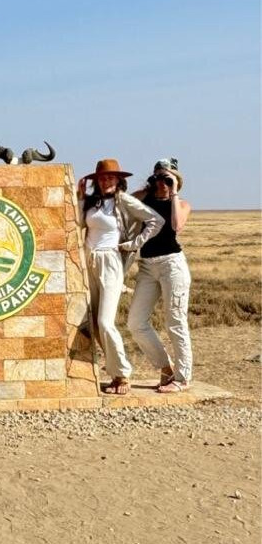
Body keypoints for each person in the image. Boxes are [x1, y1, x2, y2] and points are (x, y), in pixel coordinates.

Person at [77, 160, 163, 395]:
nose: (106, 181)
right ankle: (114, 374)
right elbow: (76, 223)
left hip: (111, 262)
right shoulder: (93, 202)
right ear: (97, 181)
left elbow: (155, 220)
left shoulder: (123, 200)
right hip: (88, 261)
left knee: (105, 322)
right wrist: (81, 197)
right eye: (102, 178)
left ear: (118, 180)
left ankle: (123, 374)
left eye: (111, 177)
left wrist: (133, 244)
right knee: (94, 323)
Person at [127, 158, 193, 393]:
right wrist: (148, 187)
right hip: (147, 265)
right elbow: (125, 204)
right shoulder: (145, 198)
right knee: (135, 322)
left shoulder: (182, 204)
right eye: (159, 178)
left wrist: (173, 192)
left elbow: (175, 225)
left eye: (168, 179)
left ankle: (183, 378)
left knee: (175, 321)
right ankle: (166, 367)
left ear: (176, 181)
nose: (162, 183)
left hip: (171, 265)